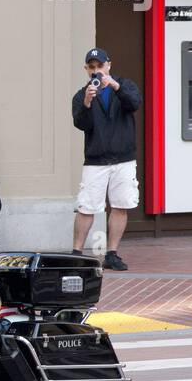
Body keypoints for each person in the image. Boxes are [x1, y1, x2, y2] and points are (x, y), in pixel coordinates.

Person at [71, 47, 141, 271]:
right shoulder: (81, 95)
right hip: (96, 160)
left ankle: (111, 253)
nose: (96, 71)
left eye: (99, 66)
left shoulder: (124, 85)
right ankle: (76, 253)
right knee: (87, 207)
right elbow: (81, 124)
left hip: (123, 158)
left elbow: (134, 103)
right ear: (86, 70)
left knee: (121, 205)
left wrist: (115, 85)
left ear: (108, 65)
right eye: (91, 67)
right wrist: (87, 103)